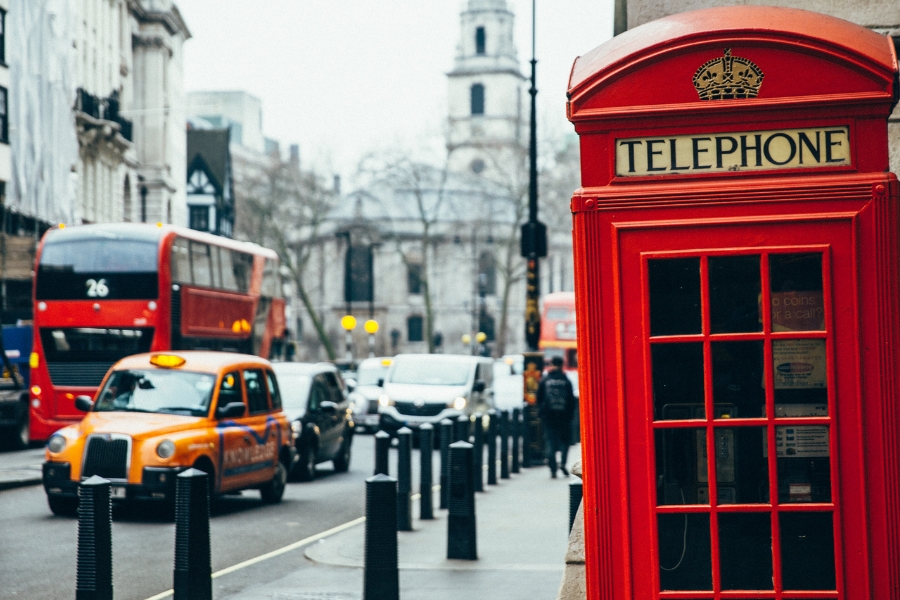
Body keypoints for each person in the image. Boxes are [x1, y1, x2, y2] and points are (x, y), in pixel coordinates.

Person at [536, 356, 577, 478]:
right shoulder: (566, 380)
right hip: (564, 417)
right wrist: (570, 416)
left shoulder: (545, 380)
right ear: (562, 365)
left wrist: (542, 413)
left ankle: (553, 467)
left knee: (550, 441)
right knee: (565, 441)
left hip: (549, 417)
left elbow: (539, 398)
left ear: (552, 364)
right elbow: (571, 400)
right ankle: (563, 463)